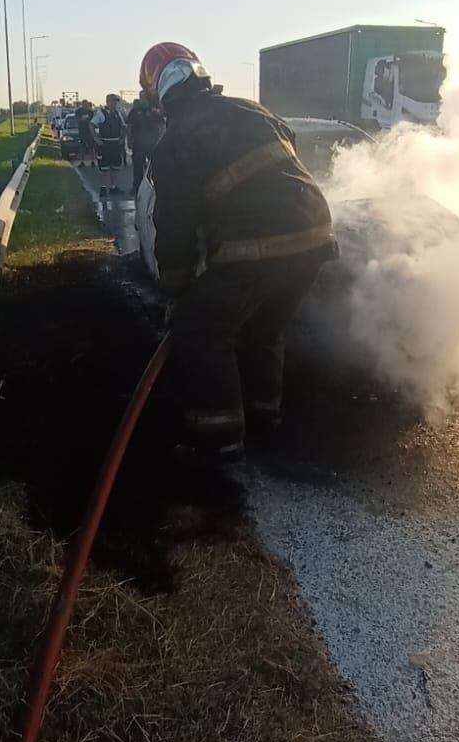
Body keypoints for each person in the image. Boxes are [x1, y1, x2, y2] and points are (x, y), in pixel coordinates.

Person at [140, 41, 335, 463]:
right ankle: (265, 421)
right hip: (316, 232)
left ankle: (218, 441)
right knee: (265, 331)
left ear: (158, 95)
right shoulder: (253, 109)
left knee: (202, 330)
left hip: (254, 246)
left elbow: (173, 226)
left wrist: (177, 290)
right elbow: (287, 152)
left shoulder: (175, 141)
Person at [126, 93, 165, 196]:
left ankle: (156, 186)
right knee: (138, 167)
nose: (144, 99)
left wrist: (160, 139)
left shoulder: (154, 109)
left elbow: (161, 124)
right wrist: (129, 139)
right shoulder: (135, 111)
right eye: (142, 97)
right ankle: (137, 188)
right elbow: (129, 125)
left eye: (146, 97)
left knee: (154, 165)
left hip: (152, 142)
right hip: (138, 142)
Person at [91, 93, 126, 194]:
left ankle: (113, 187)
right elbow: (91, 125)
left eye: (116, 101)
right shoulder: (100, 113)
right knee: (104, 168)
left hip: (115, 143)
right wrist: (96, 138)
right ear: (108, 101)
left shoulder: (118, 114)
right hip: (105, 143)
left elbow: (124, 127)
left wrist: (123, 138)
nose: (115, 103)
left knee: (115, 166)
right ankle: (103, 187)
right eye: (113, 101)